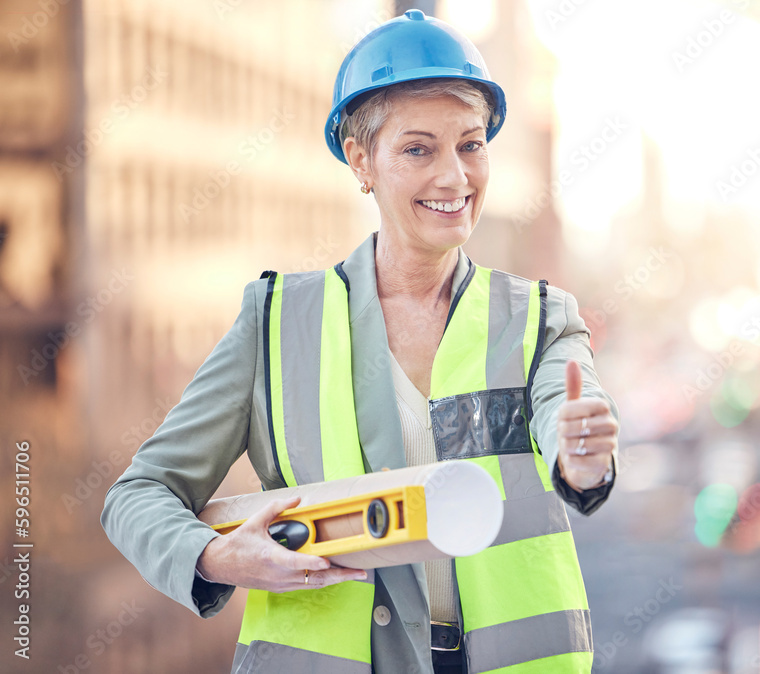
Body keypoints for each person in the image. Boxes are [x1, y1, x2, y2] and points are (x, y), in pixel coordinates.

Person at [102, 9, 620, 674]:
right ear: (360, 159)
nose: (455, 177)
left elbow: (567, 426)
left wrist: (581, 458)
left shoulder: (540, 319)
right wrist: (215, 555)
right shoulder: (275, 326)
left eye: (470, 144)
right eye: (418, 148)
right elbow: (137, 495)